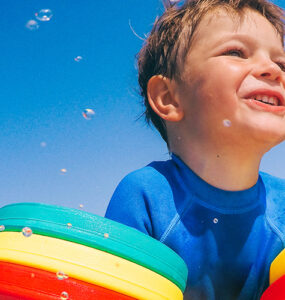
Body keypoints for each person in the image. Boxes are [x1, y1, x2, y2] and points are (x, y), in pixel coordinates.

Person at [105, 0, 285, 299]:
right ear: (168, 97)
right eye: (236, 52)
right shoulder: (147, 196)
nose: (273, 70)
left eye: (281, 63)